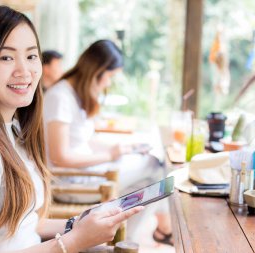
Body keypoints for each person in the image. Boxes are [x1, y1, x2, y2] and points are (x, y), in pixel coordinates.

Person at [0, 6, 142, 253]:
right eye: (6, 57)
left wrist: (79, 225)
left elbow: (25, 224)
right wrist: (73, 241)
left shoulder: (11, 127)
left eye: (31, 56)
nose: (25, 71)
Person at [43, 40, 173, 245]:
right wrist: (110, 155)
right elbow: (60, 157)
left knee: (149, 181)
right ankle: (155, 230)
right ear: (98, 71)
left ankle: (131, 238)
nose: (109, 83)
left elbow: (84, 141)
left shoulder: (75, 94)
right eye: (110, 76)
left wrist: (122, 149)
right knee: (156, 167)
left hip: (88, 173)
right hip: (72, 183)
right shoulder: (60, 97)